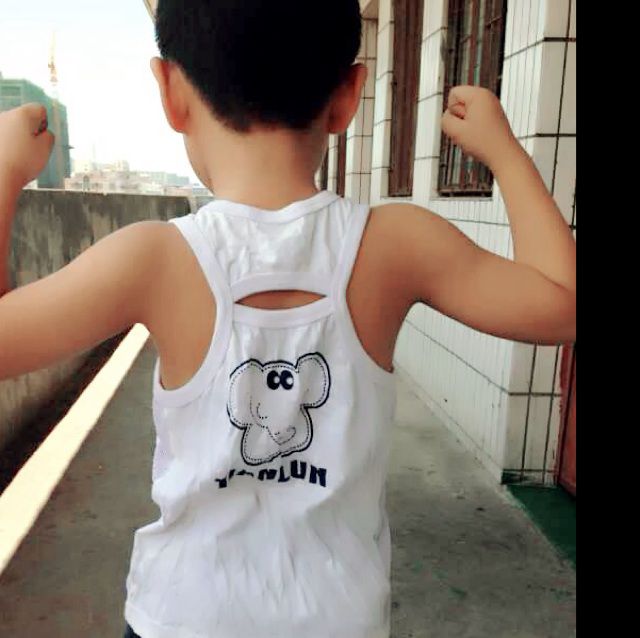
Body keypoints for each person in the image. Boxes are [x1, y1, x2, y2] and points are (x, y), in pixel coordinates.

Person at [0, 1, 576, 636]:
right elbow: (563, 304)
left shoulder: (152, 259)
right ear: (348, 96)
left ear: (171, 92)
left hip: (182, 616)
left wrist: (4, 172)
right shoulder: (396, 244)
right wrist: (504, 152)